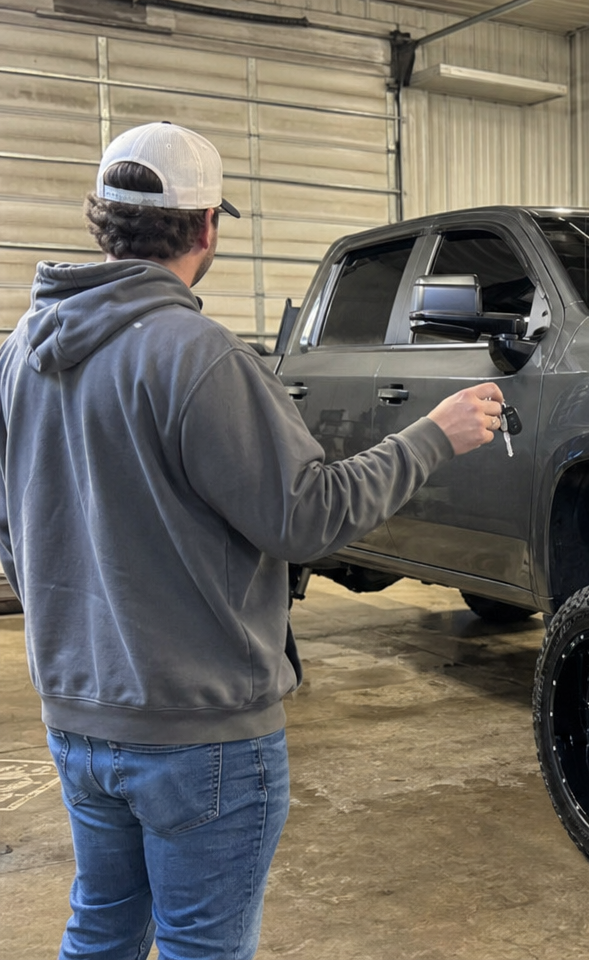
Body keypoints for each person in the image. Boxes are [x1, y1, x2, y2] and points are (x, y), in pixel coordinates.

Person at [0, 121, 506, 959]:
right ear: (207, 227)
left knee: (102, 928)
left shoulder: (21, 354)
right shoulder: (198, 356)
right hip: (201, 736)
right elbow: (306, 518)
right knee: (205, 947)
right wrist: (432, 437)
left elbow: (13, 533)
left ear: (101, 219)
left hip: (79, 721)